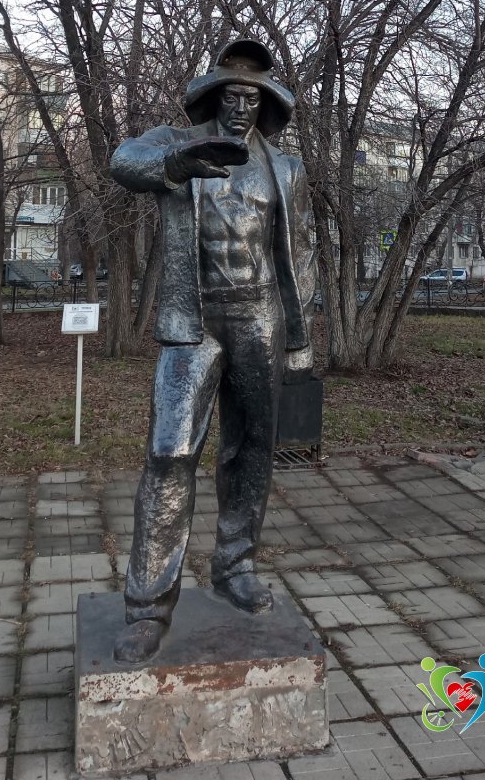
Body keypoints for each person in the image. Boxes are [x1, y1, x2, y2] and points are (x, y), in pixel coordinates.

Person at [109, 38, 316, 663]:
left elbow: (299, 254)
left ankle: (235, 565)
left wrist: (301, 338)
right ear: (213, 97)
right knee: (169, 451)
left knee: (251, 446)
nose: (240, 107)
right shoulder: (175, 143)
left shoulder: (284, 168)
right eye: (230, 95)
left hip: (260, 317)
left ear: (265, 105)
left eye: (251, 98)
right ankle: (148, 607)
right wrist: (178, 162)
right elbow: (123, 161)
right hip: (193, 322)